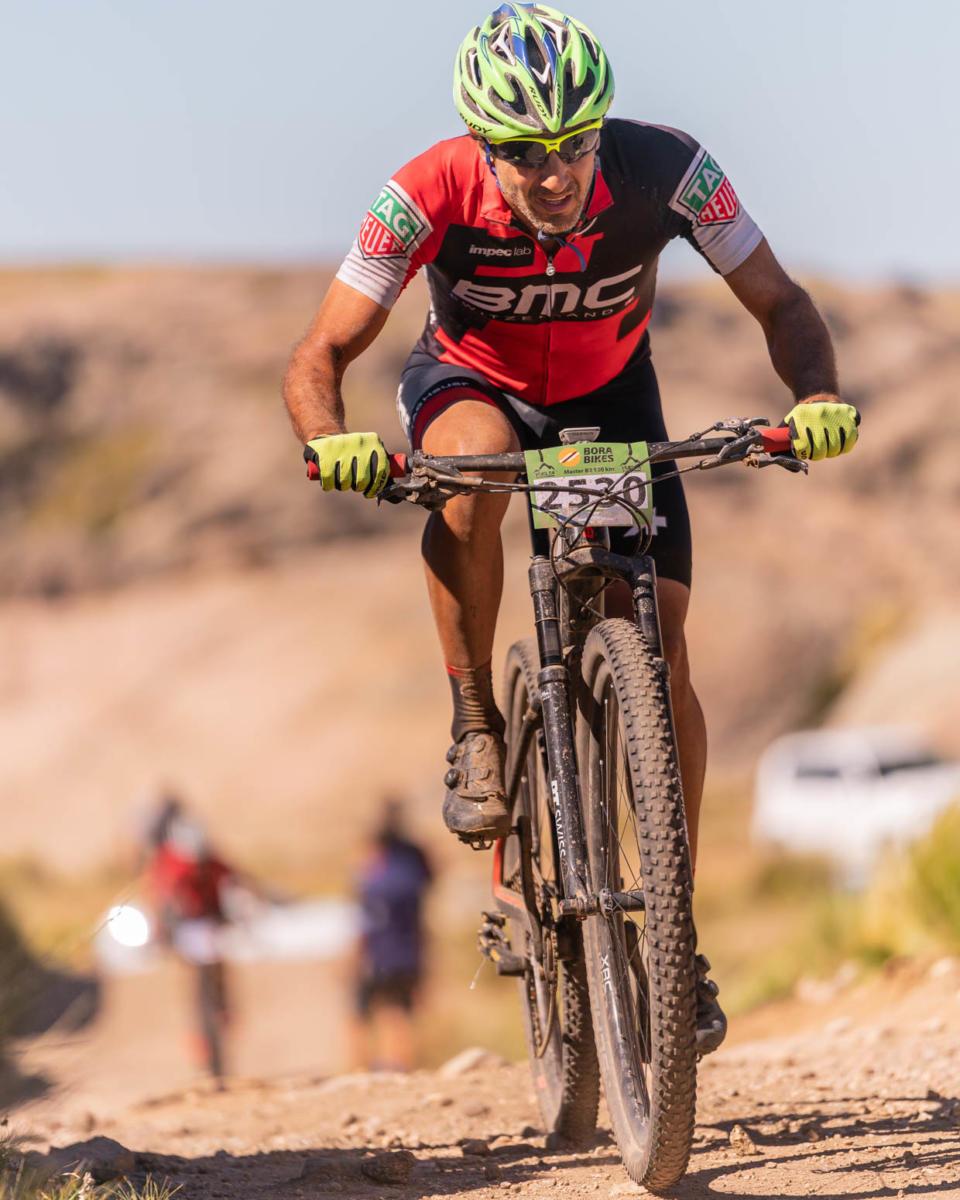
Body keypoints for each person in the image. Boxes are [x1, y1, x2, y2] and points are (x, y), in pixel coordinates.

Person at [283, 4, 860, 1054]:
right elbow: (320, 353)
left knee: (663, 649)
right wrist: (331, 439)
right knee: (471, 468)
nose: (554, 175)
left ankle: (674, 933)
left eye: (575, 146)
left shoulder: (669, 170)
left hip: (613, 399)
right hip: (472, 387)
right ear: (481, 144)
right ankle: (476, 723)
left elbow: (780, 301)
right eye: (523, 154)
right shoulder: (424, 192)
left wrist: (815, 396)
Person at [142, 795, 236, 1082]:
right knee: (197, 994)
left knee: (215, 988)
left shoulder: (204, 858)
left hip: (207, 927)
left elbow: (232, 877)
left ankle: (220, 1026)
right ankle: (205, 1051)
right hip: (188, 930)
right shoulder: (171, 863)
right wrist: (163, 929)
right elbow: (163, 897)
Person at [349, 801, 433, 1071]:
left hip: (381, 948)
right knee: (400, 1011)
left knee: (363, 1012)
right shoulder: (414, 860)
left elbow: (366, 915)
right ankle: (398, 1066)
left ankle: (366, 1068)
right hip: (408, 947)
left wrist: (355, 953)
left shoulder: (377, 866)